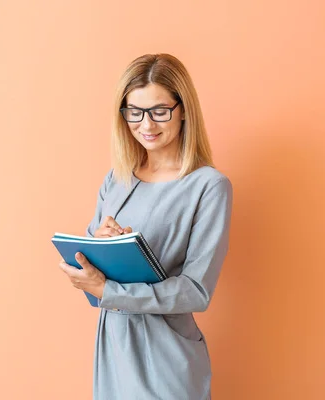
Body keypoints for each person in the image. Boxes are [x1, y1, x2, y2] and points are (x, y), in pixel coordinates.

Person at [58, 53, 233, 400]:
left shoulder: (209, 187)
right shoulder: (117, 179)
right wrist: (99, 248)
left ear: (183, 109)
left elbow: (196, 291)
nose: (147, 125)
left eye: (159, 111)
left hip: (165, 354)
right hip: (113, 348)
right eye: (134, 112)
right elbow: (90, 282)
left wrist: (110, 291)